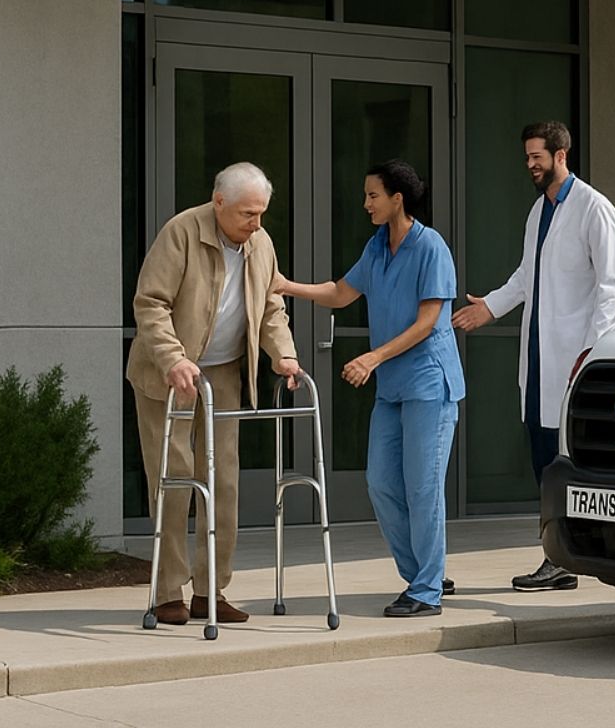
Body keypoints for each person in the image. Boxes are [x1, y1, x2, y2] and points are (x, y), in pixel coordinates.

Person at [278, 160, 464, 618]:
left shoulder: (430, 247)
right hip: (392, 389)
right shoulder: (377, 246)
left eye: (372, 196)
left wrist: (372, 357)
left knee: (423, 488)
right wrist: (284, 286)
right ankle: (425, 573)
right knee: (380, 483)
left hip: (428, 383)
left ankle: (425, 591)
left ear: (397, 198)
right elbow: (341, 292)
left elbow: (428, 322)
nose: (366, 204)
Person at [127, 162, 304, 627]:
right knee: (175, 476)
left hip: (223, 373)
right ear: (218, 202)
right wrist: (173, 359)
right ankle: (168, 592)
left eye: (262, 213)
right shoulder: (182, 232)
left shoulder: (260, 243)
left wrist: (283, 354)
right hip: (169, 375)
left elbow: (270, 307)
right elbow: (151, 302)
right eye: (248, 213)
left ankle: (211, 590)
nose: (256, 223)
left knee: (224, 482)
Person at [452, 121, 615, 592]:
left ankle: (565, 557)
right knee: (543, 461)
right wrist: (488, 307)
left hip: (573, 358)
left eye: (537, 157)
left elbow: (611, 287)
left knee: (564, 462)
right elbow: (527, 276)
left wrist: (593, 351)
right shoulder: (538, 212)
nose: (529, 165)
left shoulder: (593, 208)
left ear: (561, 154)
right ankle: (560, 557)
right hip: (538, 359)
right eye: (527, 157)